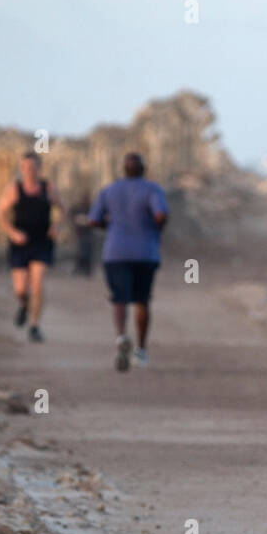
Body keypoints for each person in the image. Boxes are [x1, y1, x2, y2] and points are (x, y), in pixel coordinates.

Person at [80, 152, 168, 370]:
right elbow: (160, 215)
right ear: (144, 169)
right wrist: (155, 229)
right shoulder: (152, 189)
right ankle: (141, 350)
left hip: (116, 252)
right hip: (145, 252)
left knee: (119, 299)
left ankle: (121, 337)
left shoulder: (109, 190)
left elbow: (92, 220)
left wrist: (111, 226)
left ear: (123, 169)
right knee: (142, 301)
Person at [0, 152, 62, 343]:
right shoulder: (14, 189)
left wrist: (57, 226)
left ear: (39, 168)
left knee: (38, 284)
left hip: (42, 242)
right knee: (20, 289)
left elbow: (63, 210)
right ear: (21, 168)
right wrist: (12, 232)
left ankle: (34, 326)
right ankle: (24, 305)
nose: (29, 171)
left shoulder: (48, 188)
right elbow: (0, 213)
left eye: (33, 167)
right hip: (20, 243)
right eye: (25, 167)